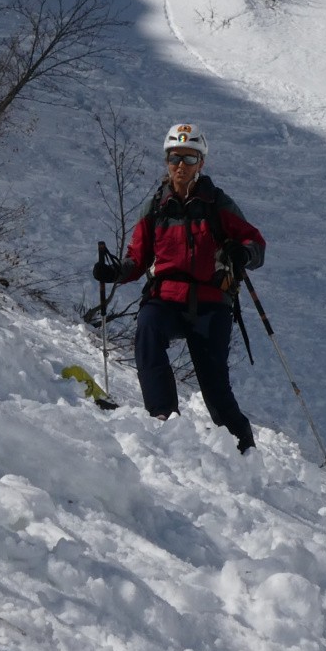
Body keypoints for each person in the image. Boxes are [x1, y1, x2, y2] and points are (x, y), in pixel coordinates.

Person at [93, 123, 266, 454]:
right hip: (165, 299)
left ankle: (243, 447)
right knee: (147, 329)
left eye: (189, 158)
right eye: (175, 158)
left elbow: (255, 242)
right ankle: (164, 420)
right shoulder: (156, 206)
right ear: (166, 160)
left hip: (211, 303)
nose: (181, 166)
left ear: (201, 163)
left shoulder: (218, 204)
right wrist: (115, 272)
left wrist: (243, 252)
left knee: (215, 389)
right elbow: (137, 258)